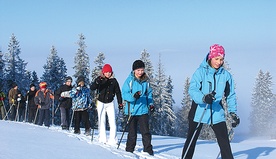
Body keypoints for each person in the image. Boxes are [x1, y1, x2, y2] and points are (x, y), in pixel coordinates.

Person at [181, 44, 240, 159]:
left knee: (224, 144)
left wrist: (233, 113)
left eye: (221, 59)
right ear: (210, 58)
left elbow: (230, 95)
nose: (219, 62)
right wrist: (203, 98)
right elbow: (192, 89)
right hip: (199, 109)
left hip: (216, 111)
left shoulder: (225, 76)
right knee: (191, 141)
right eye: (216, 59)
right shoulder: (201, 72)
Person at [121, 60, 155, 156]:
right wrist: (133, 96)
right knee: (132, 133)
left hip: (143, 109)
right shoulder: (129, 80)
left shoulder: (146, 81)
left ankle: (148, 150)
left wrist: (151, 104)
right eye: (138, 70)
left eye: (142, 70)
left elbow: (149, 94)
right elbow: (125, 94)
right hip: (132, 110)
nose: (140, 72)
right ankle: (129, 150)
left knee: (146, 132)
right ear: (134, 70)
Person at [90, 64, 123, 145]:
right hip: (100, 102)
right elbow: (92, 87)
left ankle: (113, 139)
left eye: (109, 72)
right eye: (106, 72)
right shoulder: (100, 79)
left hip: (110, 103)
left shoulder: (114, 81)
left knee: (112, 122)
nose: (108, 74)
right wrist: (97, 82)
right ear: (103, 72)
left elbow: (118, 92)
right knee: (102, 121)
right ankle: (102, 138)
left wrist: (120, 103)